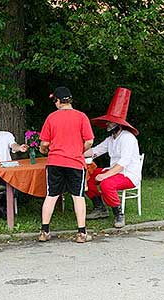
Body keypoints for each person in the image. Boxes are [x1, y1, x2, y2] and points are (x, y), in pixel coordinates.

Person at [38, 87, 94, 243]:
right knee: (78, 196)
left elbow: (45, 143)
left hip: (55, 162)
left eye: (54, 100)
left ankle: (44, 231)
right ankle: (82, 233)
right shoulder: (81, 117)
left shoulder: (51, 118)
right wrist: (78, 150)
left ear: (57, 101)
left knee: (51, 195)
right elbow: (89, 140)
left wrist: (43, 150)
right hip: (75, 162)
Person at [84, 87, 141, 228]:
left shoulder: (128, 138)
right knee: (87, 177)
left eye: (110, 122)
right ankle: (100, 208)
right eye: (108, 121)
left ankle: (118, 214)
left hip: (128, 175)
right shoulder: (111, 139)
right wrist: (74, 153)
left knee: (106, 184)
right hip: (114, 171)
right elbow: (95, 151)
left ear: (119, 124)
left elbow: (123, 163)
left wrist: (105, 176)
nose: (107, 124)